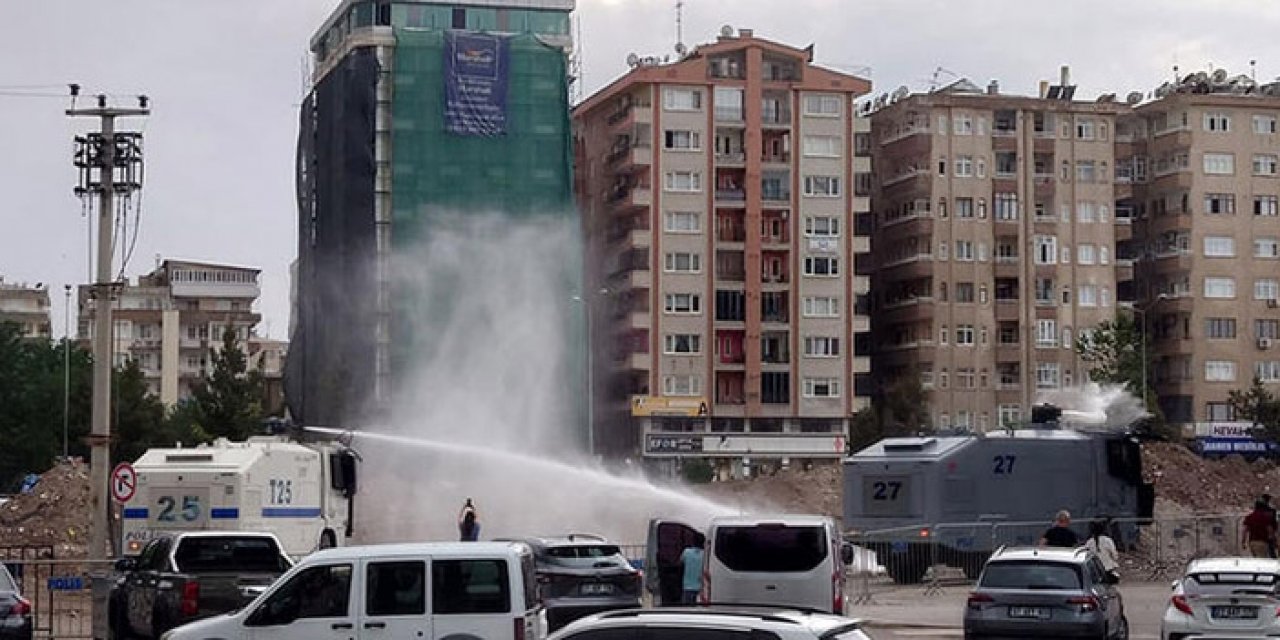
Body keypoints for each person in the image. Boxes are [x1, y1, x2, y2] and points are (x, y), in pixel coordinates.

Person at [679, 534, 706, 605]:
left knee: (687, 611)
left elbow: (680, 562)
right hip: (701, 588)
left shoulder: (686, 552)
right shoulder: (705, 554)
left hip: (687, 587)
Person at [1263, 494, 1278, 558]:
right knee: (1271, 550)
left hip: (1262, 532)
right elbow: (1274, 522)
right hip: (1270, 532)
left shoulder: (1260, 510)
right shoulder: (1272, 510)